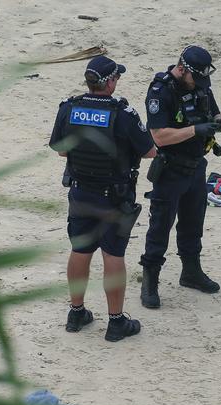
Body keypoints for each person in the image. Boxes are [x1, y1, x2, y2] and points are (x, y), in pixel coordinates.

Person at [49, 55, 157, 342]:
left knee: (80, 250)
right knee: (113, 254)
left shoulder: (69, 108)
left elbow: (61, 150)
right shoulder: (122, 113)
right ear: (109, 82)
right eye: (116, 78)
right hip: (114, 197)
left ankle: (76, 312)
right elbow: (149, 151)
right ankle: (116, 321)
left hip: (81, 191)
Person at [139, 45, 221, 309]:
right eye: (195, 79)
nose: (198, 85)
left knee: (193, 223)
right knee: (160, 227)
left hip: (196, 167)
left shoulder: (200, 85)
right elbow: (159, 136)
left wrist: (219, 123)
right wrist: (196, 129)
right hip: (170, 169)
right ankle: (149, 282)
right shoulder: (160, 91)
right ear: (181, 69)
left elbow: (213, 111)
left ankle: (191, 272)